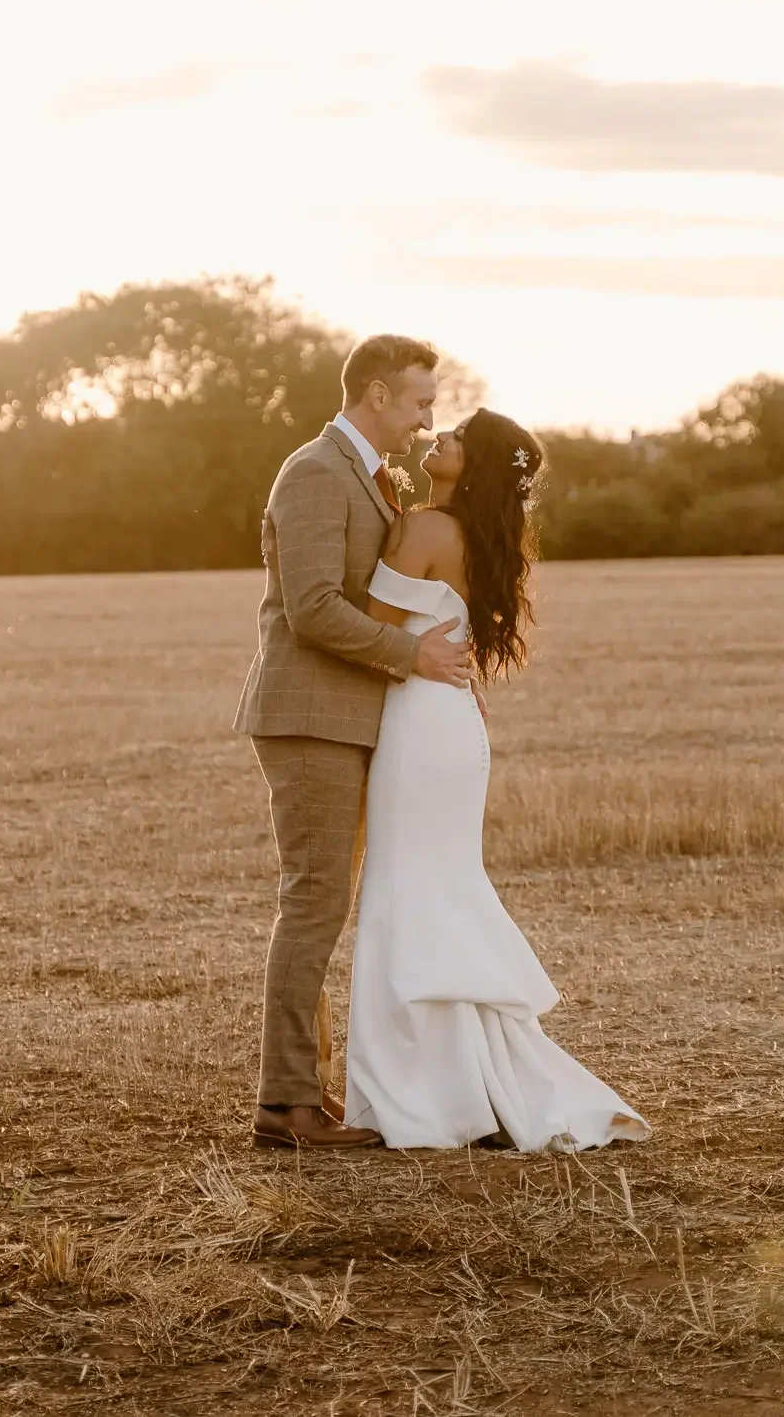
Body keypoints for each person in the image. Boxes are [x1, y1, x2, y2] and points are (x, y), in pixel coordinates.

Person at [344, 408, 651, 1151]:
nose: (437, 438)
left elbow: (367, 624)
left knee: (405, 887)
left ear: (472, 466)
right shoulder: (479, 536)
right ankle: (463, 1080)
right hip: (449, 723)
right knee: (437, 883)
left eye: (453, 438)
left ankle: (432, 1089)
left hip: (420, 721)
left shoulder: (422, 527)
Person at [234, 334, 472, 1150]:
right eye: (418, 402)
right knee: (313, 903)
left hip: (349, 719)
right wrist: (416, 654)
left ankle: (309, 1091)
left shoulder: (370, 476)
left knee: (326, 905)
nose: (425, 418)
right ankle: (284, 1105)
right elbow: (311, 607)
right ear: (377, 395)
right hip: (308, 719)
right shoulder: (313, 472)